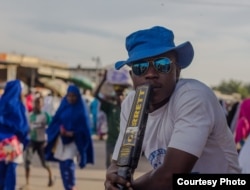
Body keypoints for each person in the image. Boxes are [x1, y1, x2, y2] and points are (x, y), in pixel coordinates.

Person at [104, 26, 241, 190]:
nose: (151, 74)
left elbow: (171, 177)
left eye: (162, 65)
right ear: (132, 76)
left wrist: (130, 187)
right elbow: (119, 162)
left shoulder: (193, 97)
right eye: (140, 67)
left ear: (177, 71)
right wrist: (114, 176)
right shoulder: (131, 103)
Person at [45, 84, 94, 190]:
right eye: (69, 96)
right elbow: (56, 121)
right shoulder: (63, 106)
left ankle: (72, 185)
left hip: (74, 141)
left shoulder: (81, 110)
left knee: (69, 162)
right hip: (62, 141)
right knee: (62, 164)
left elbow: (85, 128)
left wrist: (73, 133)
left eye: (73, 96)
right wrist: (60, 129)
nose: (71, 98)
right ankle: (67, 186)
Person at [94, 70, 128, 168]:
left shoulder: (129, 108)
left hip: (123, 142)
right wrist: (104, 80)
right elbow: (96, 94)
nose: (120, 96)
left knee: (123, 166)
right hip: (111, 141)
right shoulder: (110, 107)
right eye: (118, 94)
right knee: (109, 166)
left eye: (122, 94)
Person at [0, 80, 29, 190]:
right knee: (10, 171)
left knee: (1, 171)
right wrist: (24, 141)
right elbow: (21, 127)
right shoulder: (17, 105)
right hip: (10, 143)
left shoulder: (1, 102)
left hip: (1, 142)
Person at [24, 96, 54, 187]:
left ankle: (51, 177)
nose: (38, 105)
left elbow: (52, 128)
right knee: (27, 161)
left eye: (40, 103)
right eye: (36, 103)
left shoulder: (46, 115)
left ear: (42, 104)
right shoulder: (30, 115)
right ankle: (27, 183)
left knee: (45, 163)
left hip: (42, 142)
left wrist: (49, 140)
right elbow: (26, 128)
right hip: (32, 141)